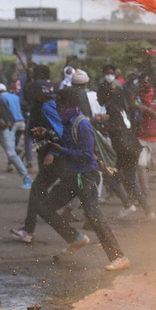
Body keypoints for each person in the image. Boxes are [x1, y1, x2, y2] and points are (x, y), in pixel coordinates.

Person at [36, 88, 130, 271]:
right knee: (44, 208)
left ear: (68, 104)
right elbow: (66, 143)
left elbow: (87, 155)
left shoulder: (82, 125)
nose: (57, 107)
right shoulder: (68, 124)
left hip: (86, 178)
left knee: (95, 217)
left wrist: (60, 151)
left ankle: (119, 257)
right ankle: (75, 238)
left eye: (60, 104)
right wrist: (47, 135)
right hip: (71, 178)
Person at [11, 67, 61, 244]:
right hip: (48, 153)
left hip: (54, 156)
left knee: (38, 193)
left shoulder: (48, 106)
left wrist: (52, 152)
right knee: (40, 193)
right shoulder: (41, 105)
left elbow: (61, 132)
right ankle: (29, 230)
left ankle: (29, 230)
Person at [97, 64, 151, 219]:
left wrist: (104, 124)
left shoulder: (112, 109)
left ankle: (128, 204)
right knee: (131, 181)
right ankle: (148, 211)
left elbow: (117, 128)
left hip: (123, 147)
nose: (98, 98)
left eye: (100, 96)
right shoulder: (123, 110)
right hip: (133, 146)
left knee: (111, 177)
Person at [135, 75, 156, 208]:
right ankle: (145, 191)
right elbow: (134, 114)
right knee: (141, 164)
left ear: (151, 83)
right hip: (141, 137)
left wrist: (147, 110)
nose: (144, 83)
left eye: (146, 81)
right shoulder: (136, 98)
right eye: (142, 82)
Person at [0, 83, 32, 190]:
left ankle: (27, 178)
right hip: (20, 121)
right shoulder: (15, 96)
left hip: (8, 124)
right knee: (12, 147)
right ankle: (18, 150)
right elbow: (25, 105)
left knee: (11, 152)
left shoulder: (0, 98)